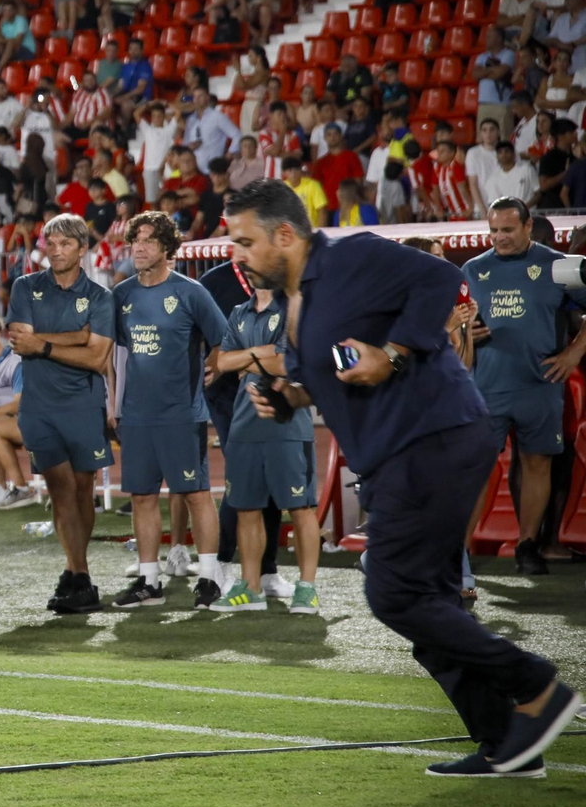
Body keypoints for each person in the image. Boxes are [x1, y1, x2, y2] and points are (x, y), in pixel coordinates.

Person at [224, 178, 580, 777]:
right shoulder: (297, 305)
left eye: (244, 240)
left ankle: (539, 688)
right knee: (427, 608)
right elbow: (342, 373)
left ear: (285, 234)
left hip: (432, 437)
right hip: (398, 454)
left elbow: (442, 279)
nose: (237, 253)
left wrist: (392, 352)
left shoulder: (350, 256)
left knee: (392, 591)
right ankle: (505, 744)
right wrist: (289, 397)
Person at [462, 198, 586, 575]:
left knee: (537, 464)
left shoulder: (563, 266)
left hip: (540, 385)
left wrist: (573, 354)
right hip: (486, 386)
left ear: (529, 226)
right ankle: (460, 554)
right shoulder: (472, 268)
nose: (499, 238)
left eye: (508, 230)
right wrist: (466, 331)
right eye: (493, 231)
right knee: (477, 469)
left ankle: (528, 546)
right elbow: (452, 324)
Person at [110, 211, 225, 610]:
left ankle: (209, 579)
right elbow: (112, 353)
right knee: (142, 497)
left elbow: (222, 339)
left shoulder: (191, 292)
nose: (138, 248)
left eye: (148, 241)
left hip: (182, 414)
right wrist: (113, 404)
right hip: (137, 415)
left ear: (167, 248)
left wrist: (214, 366)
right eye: (135, 241)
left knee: (195, 494)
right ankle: (149, 581)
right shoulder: (121, 295)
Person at [5, 214, 114, 614]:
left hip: (84, 406)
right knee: (61, 488)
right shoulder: (25, 286)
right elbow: (19, 340)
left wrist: (45, 345)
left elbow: (98, 357)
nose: (55, 250)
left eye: (64, 244)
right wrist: (78, 336)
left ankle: (74, 572)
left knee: (82, 490)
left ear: (83, 249)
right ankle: (80, 573)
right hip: (39, 409)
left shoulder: (102, 297)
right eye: (50, 243)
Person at [208, 281, 321, 614]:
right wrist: (261, 356)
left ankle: (307, 588)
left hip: (288, 424)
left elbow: (287, 363)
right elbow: (223, 362)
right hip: (244, 424)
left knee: (300, 508)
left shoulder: (293, 310)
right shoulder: (238, 312)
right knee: (246, 507)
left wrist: (245, 361)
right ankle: (251, 588)